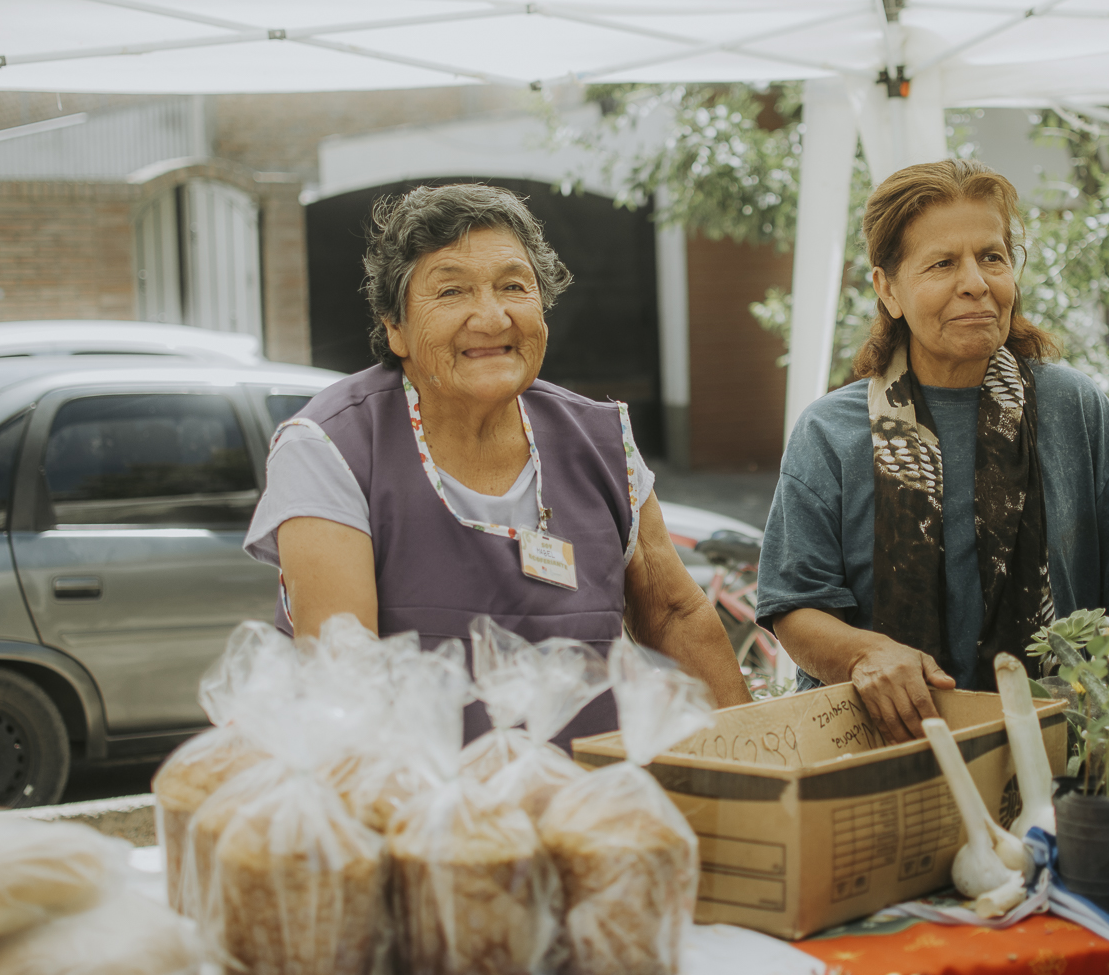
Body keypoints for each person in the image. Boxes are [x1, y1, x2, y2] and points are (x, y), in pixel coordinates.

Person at [244, 183, 751, 748]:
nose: (490, 317)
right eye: (451, 292)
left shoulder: (601, 440)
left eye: (514, 286)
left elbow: (675, 614)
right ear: (395, 327)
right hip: (412, 813)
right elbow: (345, 675)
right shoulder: (330, 446)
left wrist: (760, 763)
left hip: (587, 808)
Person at [757, 159, 1109, 743]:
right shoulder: (830, 433)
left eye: (992, 257)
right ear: (888, 289)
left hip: (1061, 750)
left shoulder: (1073, 409)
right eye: (941, 264)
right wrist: (864, 654)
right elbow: (794, 606)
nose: (976, 283)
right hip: (877, 753)